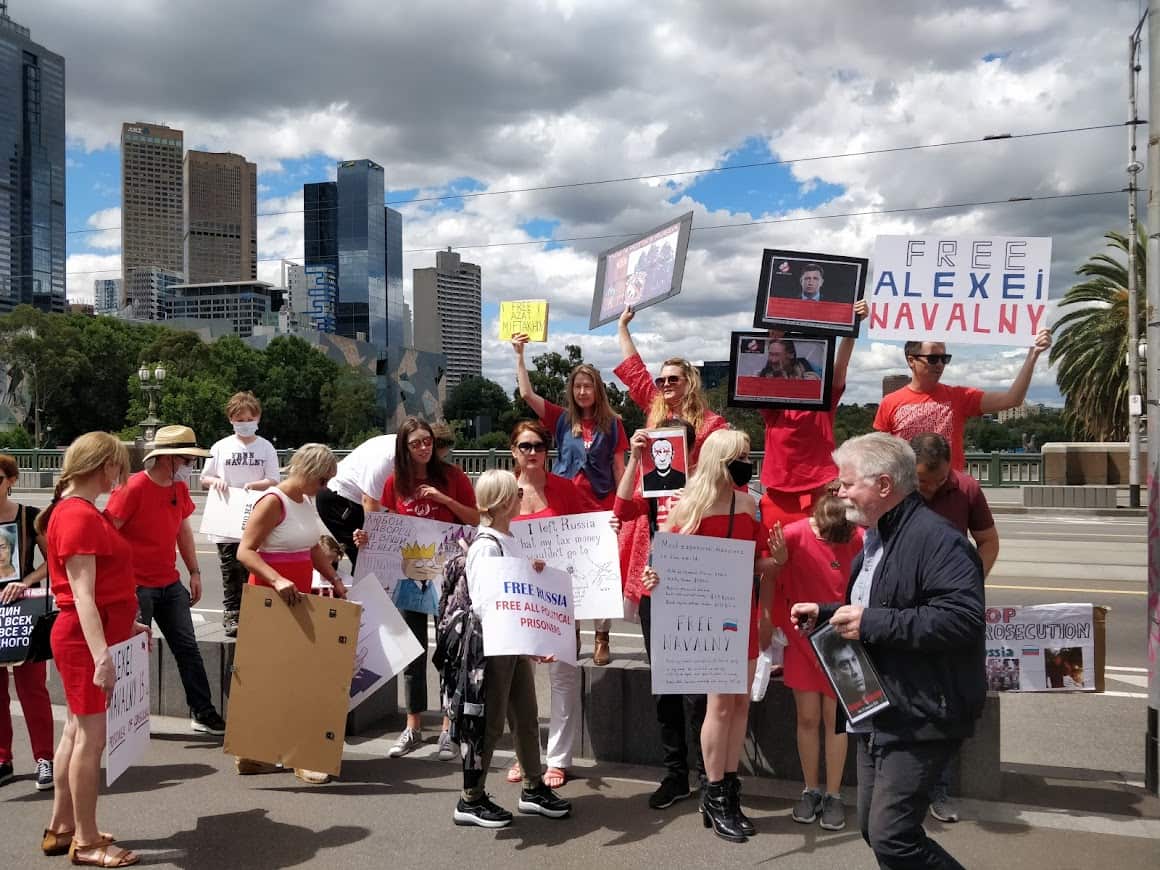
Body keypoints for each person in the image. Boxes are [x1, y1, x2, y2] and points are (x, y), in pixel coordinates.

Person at [790, 432, 985, 870]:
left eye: (847, 483)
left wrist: (869, 622)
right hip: (879, 707)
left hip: (921, 712)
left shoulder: (938, 539)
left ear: (883, 485)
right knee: (874, 830)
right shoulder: (875, 539)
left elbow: (962, 619)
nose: (838, 491)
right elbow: (879, 605)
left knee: (893, 836)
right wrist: (825, 614)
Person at [641, 429, 773, 843]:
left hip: (741, 613)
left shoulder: (750, 504)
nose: (747, 463)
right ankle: (715, 793)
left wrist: (775, 561)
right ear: (721, 460)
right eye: (741, 456)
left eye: (748, 456)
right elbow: (665, 560)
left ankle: (728, 791)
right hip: (708, 618)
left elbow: (755, 563)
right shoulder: (686, 508)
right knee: (719, 707)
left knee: (739, 706)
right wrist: (654, 574)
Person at [39, 432, 147, 867]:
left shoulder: (75, 511)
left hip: (91, 633)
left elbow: (93, 592)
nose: (119, 475)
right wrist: (103, 653)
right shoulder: (80, 515)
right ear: (104, 466)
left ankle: (63, 827)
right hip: (87, 639)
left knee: (75, 732)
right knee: (90, 738)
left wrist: (125, 623)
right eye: (117, 466)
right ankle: (85, 842)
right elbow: (82, 596)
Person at [453, 469, 572, 828]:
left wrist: (531, 571)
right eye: (517, 492)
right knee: (489, 721)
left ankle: (533, 786)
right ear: (506, 501)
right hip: (493, 646)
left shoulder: (507, 539)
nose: (523, 496)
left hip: (511, 643)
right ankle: (470, 797)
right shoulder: (488, 546)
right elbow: (489, 604)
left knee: (525, 714)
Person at [758, 301, 866, 698]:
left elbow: (839, 369)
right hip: (778, 493)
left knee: (825, 570)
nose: (796, 371)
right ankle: (780, 642)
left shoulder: (824, 399)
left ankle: (828, 638)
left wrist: (851, 328)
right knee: (777, 567)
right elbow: (762, 371)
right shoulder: (772, 403)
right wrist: (772, 340)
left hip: (820, 490)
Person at [236, 443, 348, 784]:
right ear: (310, 472)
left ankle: (255, 754)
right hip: (272, 596)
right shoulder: (273, 501)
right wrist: (277, 578)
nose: (326, 487)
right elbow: (245, 550)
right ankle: (298, 756)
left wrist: (333, 578)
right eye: (325, 479)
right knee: (284, 678)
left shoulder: (305, 500)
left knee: (290, 676)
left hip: (297, 595)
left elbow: (312, 545)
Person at [105, 425, 226, 736]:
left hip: (169, 583)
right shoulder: (131, 488)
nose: (191, 467)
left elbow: (183, 531)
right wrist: (118, 583)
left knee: (187, 647)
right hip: (135, 586)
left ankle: (203, 711)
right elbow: (107, 534)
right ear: (168, 459)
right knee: (133, 653)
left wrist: (195, 571)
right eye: (188, 460)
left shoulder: (179, 489)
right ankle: (125, 716)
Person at [513, 334, 627, 665]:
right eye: (577, 386)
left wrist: (622, 510)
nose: (582, 392)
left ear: (598, 389)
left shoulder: (614, 423)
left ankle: (602, 637)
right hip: (564, 509)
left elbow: (619, 469)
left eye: (587, 386)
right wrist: (521, 356)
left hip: (600, 506)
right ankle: (569, 631)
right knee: (568, 575)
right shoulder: (562, 419)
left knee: (602, 575)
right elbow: (526, 394)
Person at [614, 421, 705, 811]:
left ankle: (708, 771)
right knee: (664, 686)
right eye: (660, 447)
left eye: (675, 445)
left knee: (699, 688)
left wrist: (694, 501)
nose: (666, 453)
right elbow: (621, 508)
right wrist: (635, 459)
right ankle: (676, 773)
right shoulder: (648, 482)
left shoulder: (705, 483)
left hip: (698, 591)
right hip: (656, 587)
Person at [910, 431, 1000, 823]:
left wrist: (969, 585)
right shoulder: (896, 485)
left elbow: (989, 541)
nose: (930, 489)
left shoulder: (966, 489)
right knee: (904, 696)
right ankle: (903, 786)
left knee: (945, 702)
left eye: (937, 481)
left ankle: (940, 790)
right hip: (904, 611)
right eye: (922, 482)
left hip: (947, 612)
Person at [377, 417, 477, 762]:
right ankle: (413, 724)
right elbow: (387, 525)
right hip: (410, 577)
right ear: (404, 448)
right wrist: (367, 536)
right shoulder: (395, 482)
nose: (423, 448)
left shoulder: (452, 476)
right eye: (416, 443)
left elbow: (475, 518)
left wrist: (443, 499)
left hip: (447, 577)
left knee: (449, 653)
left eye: (427, 442)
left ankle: (449, 728)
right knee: (412, 653)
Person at [766, 488, 864, 833]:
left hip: (841, 643)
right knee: (807, 718)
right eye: (825, 533)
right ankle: (811, 789)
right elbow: (765, 574)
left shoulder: (859, 536)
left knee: (834, 722)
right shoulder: (792, 534)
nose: (830, 539)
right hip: (802, 641)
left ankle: (835, 795)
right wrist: (777, 561)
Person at [502, 420, 587, 789]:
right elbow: (488, 535)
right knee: (519, 683)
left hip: (559, 598)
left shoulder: (566, 490)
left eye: (538, 446)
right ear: (513, 451)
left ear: (547, 452)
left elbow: (588, 535)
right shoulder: (504, 492)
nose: (532, 452)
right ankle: (525, 754)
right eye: (524, 446)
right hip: (519, 601)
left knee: (563, 679)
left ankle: (558, 758)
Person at [874, 330, 1052, 470]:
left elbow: (1012, 399)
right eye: (933, 359)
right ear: (911, 360)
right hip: (906, 492)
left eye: (945, 358)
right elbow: (880, 452)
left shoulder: (959, 397)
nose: (940, 364)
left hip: (949, 491)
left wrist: (1032, 356)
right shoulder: (890, 402)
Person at [199, 391, 280, 638]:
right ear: (231, 420)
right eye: (239, 419)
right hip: (226, 515)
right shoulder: (221, 447)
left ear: (257, 417)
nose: (245, 424)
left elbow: (274, 479)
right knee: (230, 567)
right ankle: (233, 614)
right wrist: (216, 482)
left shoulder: (265, 447)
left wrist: (256, 486)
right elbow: (204, 478)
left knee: (255, 567)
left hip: (255, 512)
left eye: (249, 418)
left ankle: (256, 613)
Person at [0, 454, 54, 791]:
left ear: (10, 481)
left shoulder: (29, 518)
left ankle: (44, 758)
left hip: (24, 609)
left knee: (31, 687)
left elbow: (55, 562)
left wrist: (26, 580)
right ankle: (3, 758)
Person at [316, 432, 396, 570]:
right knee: (366, 559)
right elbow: (369, 501)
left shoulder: (408, 447)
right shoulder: (388, 458)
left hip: (361, 500)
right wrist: (377, 541)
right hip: (341, 498)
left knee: (383, 558)